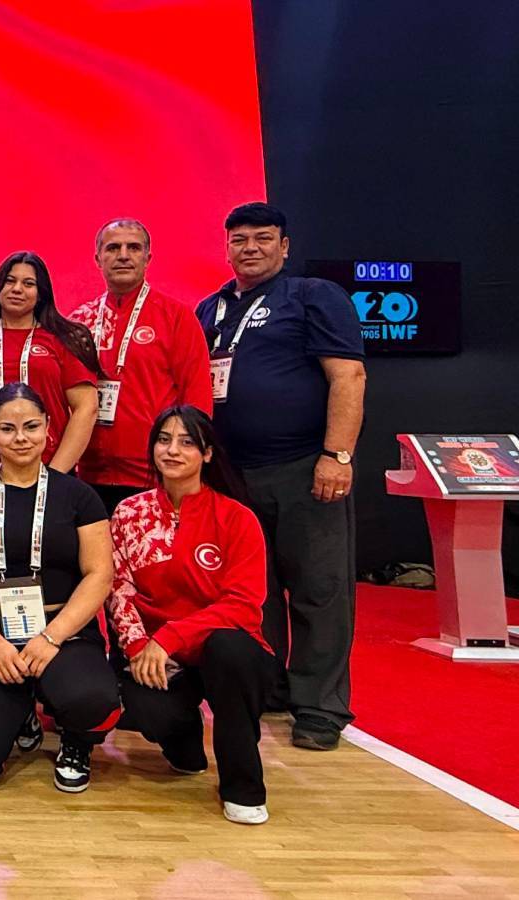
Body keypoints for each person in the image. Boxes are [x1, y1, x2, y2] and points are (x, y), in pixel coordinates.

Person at [194, 202, 365, 751]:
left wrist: (337, 455)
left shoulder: (313, 296)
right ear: (226, 247)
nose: (250, 248)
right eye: (239, 239)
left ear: (284, 246)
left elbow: (348, 376)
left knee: (318, 588)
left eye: (263, 238)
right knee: (253, 591)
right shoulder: (211, 309)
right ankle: (268, 685)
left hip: (303, 468)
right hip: (232, 475)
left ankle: (319, 707)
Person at [0, 383, 119, 792]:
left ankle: (76, 741)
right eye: (7, 428)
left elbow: (99, 574)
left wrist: (52, 637)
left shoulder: (79, 496)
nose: (20, 438)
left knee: (91, 697)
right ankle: (20, 710)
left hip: (64, 633)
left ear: (49, 428)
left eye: (31, 426)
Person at [106, 405, 278, 825]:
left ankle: (243, 787)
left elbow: (243, 604)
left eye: (186, 442)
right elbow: (117, 588)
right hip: (158, 656)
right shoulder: (129, 513)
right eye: (164, 440)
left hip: (222, 651)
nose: (172, 450)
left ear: (207, 454)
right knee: (146, 709)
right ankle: (183, 740)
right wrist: (138, 646)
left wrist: (170, 637)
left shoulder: (236, 518)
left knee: (229, 650)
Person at [68, 219, 213, 512]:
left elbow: (197, 396)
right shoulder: (78, 321)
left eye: (133, 248)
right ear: (98, 258)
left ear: (148, 258)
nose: (123, 255)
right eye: (113, 248)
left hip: (154, 472)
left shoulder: (176, 317)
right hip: (88, 472)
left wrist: (187, 464)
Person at [0, 251, 100, 476]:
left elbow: (86, 408)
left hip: (49, 464)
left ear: (40, 294)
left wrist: (56, 474)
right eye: (10, 281)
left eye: (28, 283)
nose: (17, 289)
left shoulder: (62, 340)